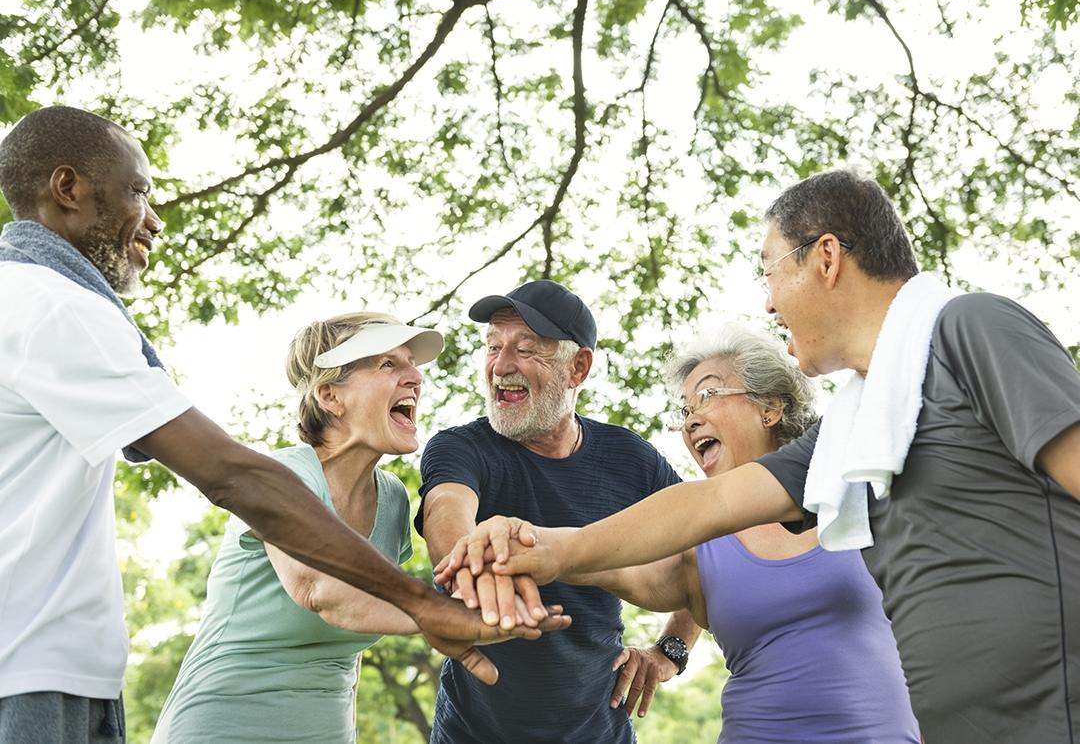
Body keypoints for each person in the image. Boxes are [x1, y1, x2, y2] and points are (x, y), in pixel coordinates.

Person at [439, 170, 1080, 743]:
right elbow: (711, 502)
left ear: (826, 256)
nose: (769, 303)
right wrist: (544, 547)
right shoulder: (853, 433)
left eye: (770, 270)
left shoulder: (968, 326)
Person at [0, 106, 564, 744]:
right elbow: (234, 477)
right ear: (68, 189)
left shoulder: (394, 499)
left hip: (64, 667)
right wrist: (429, 607)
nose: (155, 219)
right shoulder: (51, 306)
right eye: (138, 190)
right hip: (34, 668)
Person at [152, 312, 566, 743]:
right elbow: (322, 591)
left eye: (411, 364)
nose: (415, 378)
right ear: (331, 396)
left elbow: (350, 646)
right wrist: (445, 616)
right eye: (388, 364)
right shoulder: (284, 475)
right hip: (221, 727)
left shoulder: (391, 499)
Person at [557, 324, 919, 742]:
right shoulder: (698, 544)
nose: (691, 420)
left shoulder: (856, 492)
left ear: (770, 408)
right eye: (685, 410)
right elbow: (601, 563)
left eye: (707, 396)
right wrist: (521, 546)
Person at [417, 279, 696, 744]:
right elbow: (447, 511)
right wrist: (469, 568)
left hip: (599, 732)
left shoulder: (631, 459)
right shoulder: (460, 447)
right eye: (493, 346)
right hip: (473, 734)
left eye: (525, 349)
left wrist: (671, 651)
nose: (501, 365)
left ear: (578, 368)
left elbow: (703, 551)